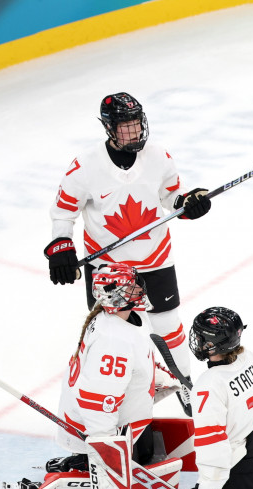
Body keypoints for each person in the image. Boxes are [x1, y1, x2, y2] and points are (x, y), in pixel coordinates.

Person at [44, 92, 212, 415]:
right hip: (107, 268)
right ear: (109, 128)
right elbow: (64, 212)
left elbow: (172, 198)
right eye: (126, 126)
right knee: (109, 336)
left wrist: (190, 203)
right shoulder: (85, 166)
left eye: (137, 123)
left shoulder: (159, 156)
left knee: (168, 326)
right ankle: (110, 400)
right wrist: (61, 247)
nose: (134, 131)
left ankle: (186, 385)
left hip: (156, 258)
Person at [47, 263, 157, 473]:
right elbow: (97, 401)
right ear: (118, 297)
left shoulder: (130, 318)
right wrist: (105, 451)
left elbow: (139, 358)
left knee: (147, 453)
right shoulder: (113, 341)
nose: (140, 288)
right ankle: (81, 464)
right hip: (95, 431)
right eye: (131, 287)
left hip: (122, 424)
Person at [187, 307, 253, 489]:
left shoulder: (209, 385)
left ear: (213, 343)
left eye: (200, 337)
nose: (197, 341)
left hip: (235, 481)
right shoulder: (252, 359)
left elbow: (213, 449)